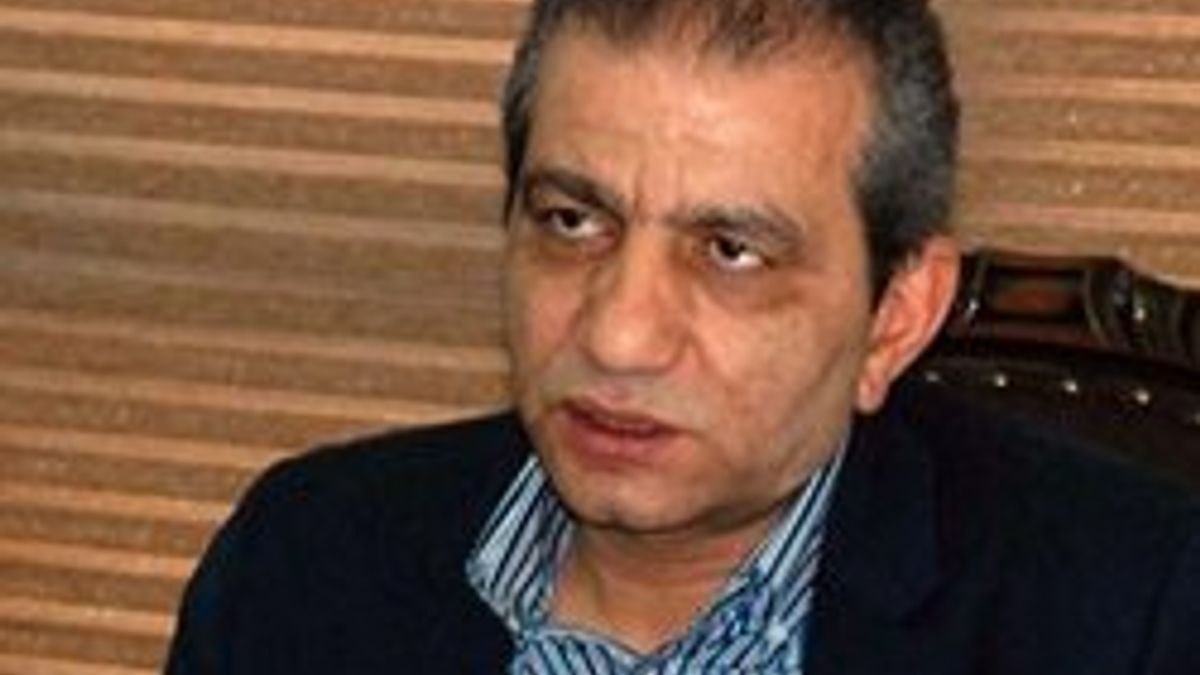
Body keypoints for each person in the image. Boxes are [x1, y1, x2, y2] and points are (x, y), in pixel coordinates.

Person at [165, 0, 1200, 672]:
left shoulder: (1132, 618)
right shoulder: (302, 562)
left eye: (730, 252)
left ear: (895, 316)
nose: (619, 336)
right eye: (572, 222)